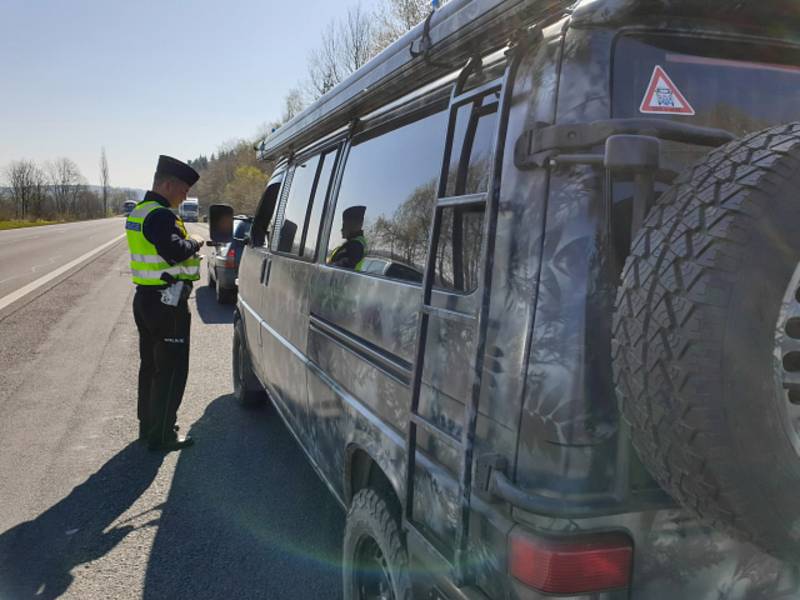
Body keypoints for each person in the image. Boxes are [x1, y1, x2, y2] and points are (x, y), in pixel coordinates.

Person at [126, 155, 204, 451]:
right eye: (183, 190)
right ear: (168, 184)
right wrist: (196, 241)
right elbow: (174, 250)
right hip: (166, 303)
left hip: (146, 298)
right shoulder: (160, 215)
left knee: (151, 367)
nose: (185, 196)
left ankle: (149, 426)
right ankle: (163, 435)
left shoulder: (141, 211)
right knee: (171, 370)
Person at [327, 205, 368, 270]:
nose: (341, 229)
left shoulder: (355, 245)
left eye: (344, 225)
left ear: (353, 226)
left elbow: (341, 268)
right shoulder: (352, 243)